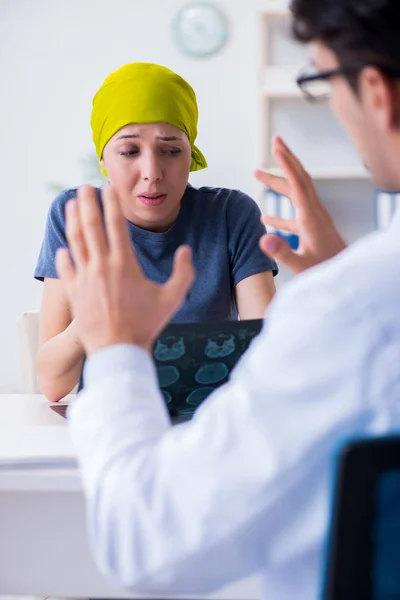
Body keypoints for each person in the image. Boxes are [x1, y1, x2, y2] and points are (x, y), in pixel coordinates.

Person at [57, 0, 400, 599]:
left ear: (376, 93)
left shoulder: (352, 305)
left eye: (321, 82)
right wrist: (341, 287)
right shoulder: (358, 303)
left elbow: (146, 539)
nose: (151, 173)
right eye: (128, 150)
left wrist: (114, 349)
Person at [34, 62, 277, 402]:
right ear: (103, 159)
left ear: (190, 153)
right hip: (114, 422)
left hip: (210, 424)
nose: (151, 172)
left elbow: (270, 352)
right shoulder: (77, 213)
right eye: (129, 151)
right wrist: (94, 316)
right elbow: (52, 385)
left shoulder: (230, 214)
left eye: (171, 150)